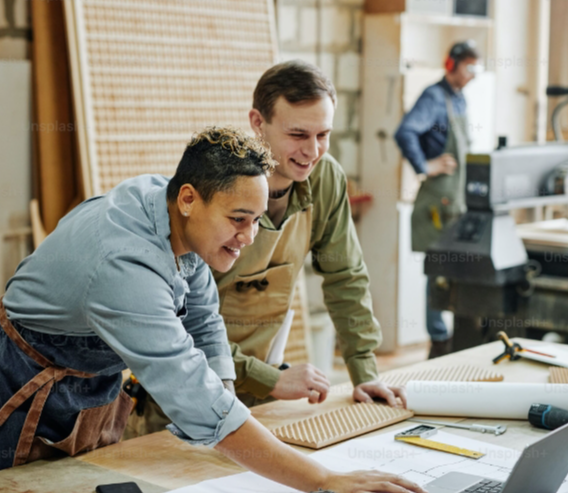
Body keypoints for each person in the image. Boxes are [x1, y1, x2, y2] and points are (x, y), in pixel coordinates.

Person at [0, 126, 426, 493]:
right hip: (27, 387)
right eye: (238, 219)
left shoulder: (170, 213)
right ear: (189, 198)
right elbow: (188, 388)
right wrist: (323, 480)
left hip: (85, 380)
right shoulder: (126, 267)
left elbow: (203, 315)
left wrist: (223, 391)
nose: (248, 236)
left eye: (257, 219)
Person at [394, 41, 480, 359]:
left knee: (455, 269)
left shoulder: (459, 100)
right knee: (438, 270)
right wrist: (424, 166)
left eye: (476, 69)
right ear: (451, 65)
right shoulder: (433, 97)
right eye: (468, 67)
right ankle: (439, 341)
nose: (472, 75)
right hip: (437, 200)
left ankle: (453, 339)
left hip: (456, 198)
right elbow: (405, 132)